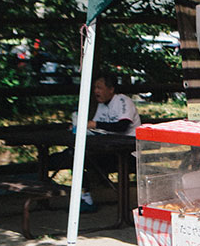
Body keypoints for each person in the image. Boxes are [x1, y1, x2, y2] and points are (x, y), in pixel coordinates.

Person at [55, 71, 141, 212]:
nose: (96, 91)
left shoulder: (123, 101)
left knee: (79, 156)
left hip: (128, 154)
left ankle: (94, 200)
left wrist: (94, 124)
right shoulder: (102, 105)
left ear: (111, 89)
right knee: (74, 155)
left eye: (99, 88)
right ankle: (85, 198)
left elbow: (122, 126)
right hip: (108, 149)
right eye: (95, 88)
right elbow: (99, 129)